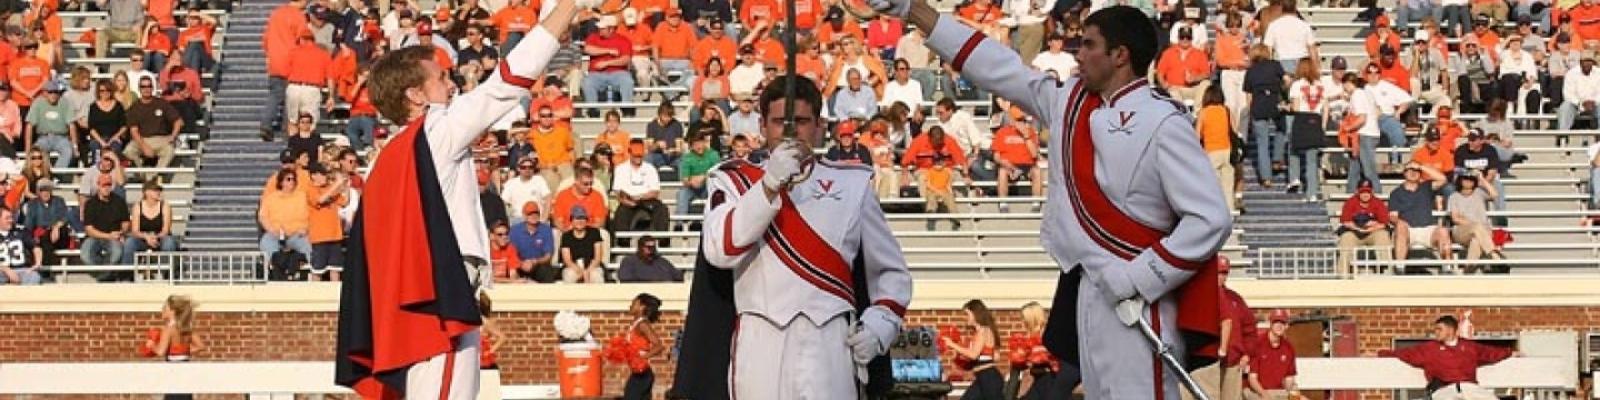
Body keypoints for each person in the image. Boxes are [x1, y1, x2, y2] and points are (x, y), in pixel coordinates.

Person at [891, 2, 1231, 398]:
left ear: (1120, 55)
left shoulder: (1164, 121)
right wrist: (913, 10)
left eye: (1088, 45)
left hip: (1140, 299)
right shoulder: (1068, 101)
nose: (1078, 54)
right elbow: (998, 67)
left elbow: (1210, 219)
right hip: (1089, 290)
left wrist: (1139, 276)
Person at [335, 0, 583, 396]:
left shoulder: (389, 154)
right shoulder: (437, 129)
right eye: (440, 78)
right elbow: (508, 80)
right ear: (416, 94)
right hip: (439, 303)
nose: (451, 85)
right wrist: (569, 7)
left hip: (413, 303)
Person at [673, 75, 912, 400]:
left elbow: (892, 272)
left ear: (818, 126)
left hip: (831, 342)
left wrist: (879, 326)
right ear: (762, 124)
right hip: (759, 340)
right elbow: (719, 249)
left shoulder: (853, 184)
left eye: (800, 121)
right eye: (778, 122)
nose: (789, 131)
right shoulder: (732, 181)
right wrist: (768, 186)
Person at [1380, 315, 1514, 399]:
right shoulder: (1430, 348)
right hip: (1444, 390)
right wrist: (1382, 353)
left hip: (1469, 388)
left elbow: (1490, 353)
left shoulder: (1469, 347)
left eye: (1439, 329)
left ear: (1450, 330)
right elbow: (1406, 353)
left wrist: (1510, 352)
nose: (1436, 332)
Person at [1389, 163, 1451, 263]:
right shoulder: (1396, 193)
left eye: (1416, 170)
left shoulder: (1426, 187)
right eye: (1410, 169)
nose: (1413, 172)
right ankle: (1400, 266)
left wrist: (1421, 166)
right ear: (1404, 173)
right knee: (1400, 227)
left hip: (1428, 229)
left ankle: (1448, 267)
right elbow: (1392, 216)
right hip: (1408, 231)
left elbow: (1443, 179)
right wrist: (1401, 222)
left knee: (1443, 231)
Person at [944, 299, 1003, 400]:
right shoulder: (981, 332)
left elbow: (973, 354)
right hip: (982, 377)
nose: (965, 318)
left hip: (988, 378)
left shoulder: (983, 331)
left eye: (967, 314)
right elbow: (995, 356)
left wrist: (952, 344)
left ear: (975, 314)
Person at [122, 76, 182, 171]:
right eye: (143, 86)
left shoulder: (162, 103)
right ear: (139, 89)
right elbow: (134, 131)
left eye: (149, 86)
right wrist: (144, 147)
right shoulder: (135, 107)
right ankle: (142, 174)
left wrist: (173, 136)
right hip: (141, 139)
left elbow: (178, 121)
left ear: (152, 88)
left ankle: (154, 176)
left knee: (169, 151)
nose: (146, 89)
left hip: (160, 139)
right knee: (128, 151)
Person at [611, 140, 669, 234]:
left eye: (640, 156)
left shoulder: (650, 168)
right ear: (630, 153)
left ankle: (662, 241)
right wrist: (628, 201)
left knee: (662, 210)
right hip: (628, 200)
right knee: (621, 213)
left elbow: (655, 192)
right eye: (635, 155)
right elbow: (618, 192)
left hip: (647, 200)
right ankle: (623, 244)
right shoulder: (621, 169)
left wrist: (640, 197)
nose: (638, 158)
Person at [1447, 172, 1502, 270]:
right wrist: (1474, 225)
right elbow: (1455, 219)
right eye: (1465, 178)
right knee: (1477, 228)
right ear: (1460, 180)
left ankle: (1469, 267)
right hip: (1461, 231)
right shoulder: (1454, 197)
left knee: (1476, 240)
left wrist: (1483, 180)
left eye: (1471, 179)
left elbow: (1495, 194)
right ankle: (1494, 255)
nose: (1468, 181)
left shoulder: (1479, 193)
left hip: (1481, 232)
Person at [1336, 181, 1392, 275]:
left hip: (1372, 232)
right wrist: (1359, 228)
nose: (1365, 194)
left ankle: (1386, 270)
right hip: (1355, 232)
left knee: (1383, 235)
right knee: (1346, 238)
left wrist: (1370, 228)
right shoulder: (1350, 202)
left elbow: (1384, 223)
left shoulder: (1378, 203)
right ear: (1357, 192)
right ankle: (1343, 274)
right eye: (1362, 192)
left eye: (1367, 192)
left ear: (1372, 192)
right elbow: (1346, 222)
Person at [1196, 86, 1235, 210]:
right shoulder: (1226, 110)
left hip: (1211, 151)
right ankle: (1230, 212)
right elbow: (1233, 129)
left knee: (1214, 187)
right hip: (1227, 150)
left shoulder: (1204, 112)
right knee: (1228, 187)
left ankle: (1216, 213)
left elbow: (1197, 135)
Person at [306, 165, 348, 282]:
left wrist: (345, 186)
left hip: (335, 235)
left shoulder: (330, 188)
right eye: (322, 174)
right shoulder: (310, 189)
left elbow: (345, 202)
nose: (325, 177)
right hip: (320, 237)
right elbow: (320, 200)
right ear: (314, 176)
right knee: (318, 270)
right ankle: (315, 294)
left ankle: (336, 295)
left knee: (335, 269)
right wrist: (336, 184)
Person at [991, 115, 1041, 211]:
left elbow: (1034, 155)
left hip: (1027, 165)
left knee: (1037, 171)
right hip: (1008, 166)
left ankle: (1036, 203)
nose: (1021, 122)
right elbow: (996, 157)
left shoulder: (1030, 132)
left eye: (1022, 120)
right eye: (1018, 120)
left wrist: (1026, 136)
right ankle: (1003, 203)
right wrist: (1006, 164)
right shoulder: (1002, 133)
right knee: (1002, 171)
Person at [1246, 310, 1300, 399]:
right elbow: (1252, 379)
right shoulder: (1258, 344)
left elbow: (1289, 379)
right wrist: (1264, 395)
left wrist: (1293, 395)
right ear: (1270, 324)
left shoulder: (1289, 348)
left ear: (1286, 326)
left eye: (1282, 322)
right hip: (1258, 392)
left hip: (1279, 392)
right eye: (1276, 322)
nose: (1279, 325)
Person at [121, 182, 178, 265]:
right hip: (142, 238)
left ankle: (165, 273)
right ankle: (127, 273)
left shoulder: (165, 206)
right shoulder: (138, 206)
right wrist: (146, 237)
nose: (158, 192)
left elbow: (166, 230)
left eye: (159, 190)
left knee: (169, 243)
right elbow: (135, 230)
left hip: (160, 237)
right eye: (155, 190)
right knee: (130, 243)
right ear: (146, 192)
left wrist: (155, 237)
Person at [622, 293, 666, 400]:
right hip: (638, 373)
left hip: (642, 375)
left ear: (642, 307)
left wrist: (643, 357)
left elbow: (659, 346)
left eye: (634, 303)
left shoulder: (642, 325)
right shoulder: (636, 324)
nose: (630, 306)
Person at [24, 79, 75, 169]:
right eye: (50, 92)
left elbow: (71, 125)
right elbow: (29, 126)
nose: (53, 95)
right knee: (37, 153)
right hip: (43, 138)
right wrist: (28, 148)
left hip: (61, 138)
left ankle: (56, 175)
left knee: (69, 150)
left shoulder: (64, 102)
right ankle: (46, 174)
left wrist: (75, 145)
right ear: (44, 93)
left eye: (56, 92)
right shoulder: (38, 103)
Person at [81, 174, 130, 267]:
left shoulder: (119, 202)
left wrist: (121, 233)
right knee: (85, 255)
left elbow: (126, 223)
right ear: (98, 185)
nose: (106, 188)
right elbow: (89, 230)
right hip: (95, 237)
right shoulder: (90, 204)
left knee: (116, 253)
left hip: (115, 237)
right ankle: (105, 275)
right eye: (104, 185)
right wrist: (108, 236)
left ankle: (104, 275)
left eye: (109, 185)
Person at [509, 202, 557, 282]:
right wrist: (521, 264)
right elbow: (510, 253)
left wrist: (534, 262)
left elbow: (548, 255)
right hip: (519, 265)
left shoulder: (546, 230)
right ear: (524, 216)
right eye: (530, 214)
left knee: (546, 272)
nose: (534, 216)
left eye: (536, 213)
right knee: (511, 271)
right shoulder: (515, 230)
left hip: (538, 265)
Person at [559, 205, 606, 284]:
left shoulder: (594, 233)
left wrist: (587, 271)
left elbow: (597, 257)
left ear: (586, 220)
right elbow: (567, 260)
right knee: (569, 276)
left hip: (592, 266)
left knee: (596, 276)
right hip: (573, 267)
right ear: (572, 220)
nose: (580, 221)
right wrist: (581, 271)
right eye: (577, 218)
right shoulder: (566, 236)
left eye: (582, 218)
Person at [677, 133, 720, 219]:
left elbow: (718, 173)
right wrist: (691, 182)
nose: (699, 147)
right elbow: (685, 180)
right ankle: (680, 224)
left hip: (708, 186)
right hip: (692, 187)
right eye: (696, 145)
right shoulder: (687, 158)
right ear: (691, 147)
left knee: (717, 192)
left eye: (701, 143)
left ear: (704, 143)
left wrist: (704, 177)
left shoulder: (713, 155)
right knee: (682, 193)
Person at [0, 206, 42, 285]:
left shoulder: (21, 231)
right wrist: (7, 270)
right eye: (7, 218)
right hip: (1, 271)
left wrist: (38, 263)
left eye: (11, 217)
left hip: (22, 270)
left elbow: (36, 248)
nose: (11, 220)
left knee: (34, 277)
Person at [617, 235, 682, 282]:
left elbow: (678, 276)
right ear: (640, 247)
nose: (651, 250)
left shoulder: (662, 262)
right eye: (648, 247)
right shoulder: (629, 262)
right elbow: (626, 280)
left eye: (653, 247)